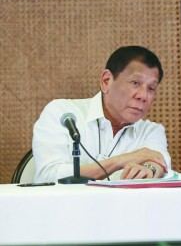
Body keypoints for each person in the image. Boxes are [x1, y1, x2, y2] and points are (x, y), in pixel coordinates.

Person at [33, 46, 171, 182]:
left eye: (151, 88)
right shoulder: (63, 114)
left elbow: (159, 162)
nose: (143, 95)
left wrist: (150, 168)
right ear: (106, 81)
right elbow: (49, 175)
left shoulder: (151, 131)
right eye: (135, 83)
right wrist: (120, 161)